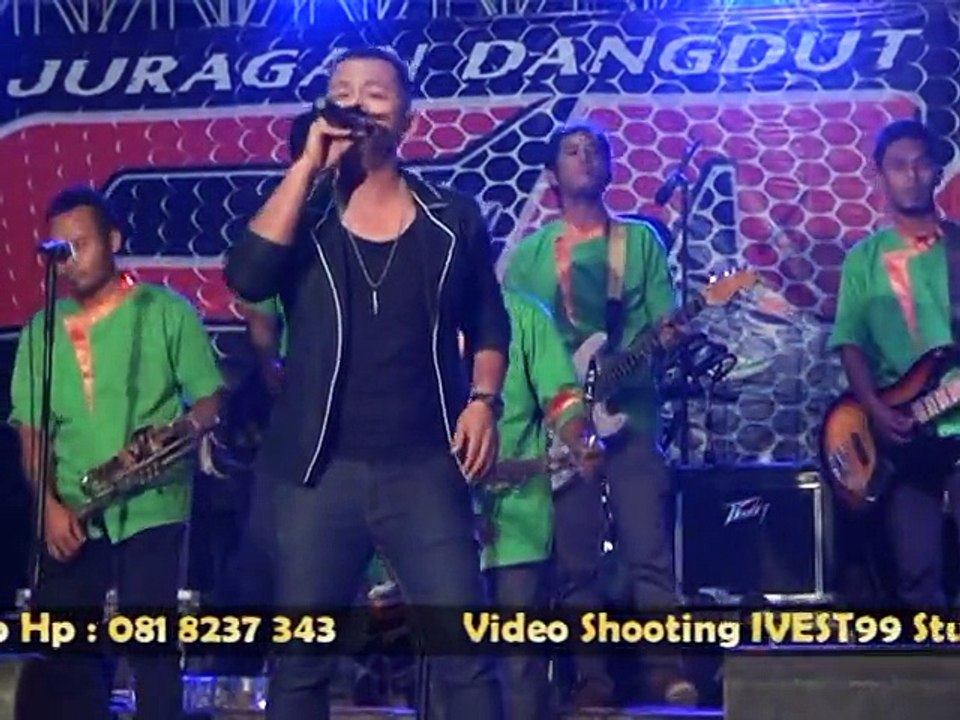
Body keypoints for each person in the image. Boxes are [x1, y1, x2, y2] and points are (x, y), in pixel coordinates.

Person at [224, 46, 510, 720]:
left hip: (424, 466)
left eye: (375, 93)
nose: (356, 103)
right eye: (342, 90)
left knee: (464, 656)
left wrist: (484, 401)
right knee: (301, 664)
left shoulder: (452, 217)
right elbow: (248, 277)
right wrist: (306, 167)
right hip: (319, 472)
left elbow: (488, 321)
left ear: (408, 117)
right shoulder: (303, 215)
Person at [9, 187, 224, 720]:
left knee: (151, 645)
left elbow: (210, 398)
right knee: (66, 652)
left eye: (80, 244)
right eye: (58, 249)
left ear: (114, 241)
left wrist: (182, 429)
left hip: (152, 503)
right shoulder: (40, 331)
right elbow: (32, 433)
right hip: (73, 510)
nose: (69, 259)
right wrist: (49, 507)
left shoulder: (166, 311)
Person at [502, 123, 697, 707]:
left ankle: (665, 670)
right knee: (575, 561)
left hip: (631, 416)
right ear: (551, 174)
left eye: (595, 151)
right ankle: (591, 678)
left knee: (648, 549)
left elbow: (663, 324)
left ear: (610, 169)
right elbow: (519, 346)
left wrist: (669, 336)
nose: (585, 157)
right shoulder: (528, 257)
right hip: (561, 430)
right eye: (571, 150)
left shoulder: (638, 242)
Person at [829, 118, 960, 607]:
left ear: (937, 172)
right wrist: (875, 408)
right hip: (902, 433)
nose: (911, 175)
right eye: (899, 166)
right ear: (879, 175)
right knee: (916, 576)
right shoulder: (863, 259)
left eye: (921, 164)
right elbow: (850, 343)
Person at [477, 289, 603, 720]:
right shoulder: (420, 310)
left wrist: (579, 439)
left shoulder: (525, 316)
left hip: (518, 522)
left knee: (520, 664)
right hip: (437, 520)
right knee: (449, 664)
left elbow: (562, 397)